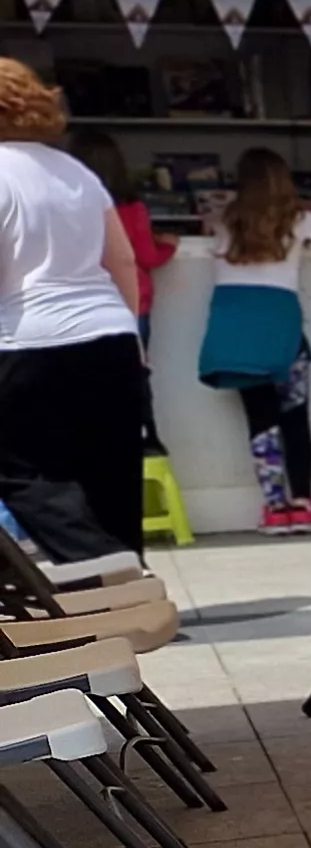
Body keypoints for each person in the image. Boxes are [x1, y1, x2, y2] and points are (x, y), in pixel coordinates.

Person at [0, 59, 153, 557]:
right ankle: (135, 597)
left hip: (26, 339)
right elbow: (123, 259)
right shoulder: (77, 172)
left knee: (21, 472)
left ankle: (103, 569)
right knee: (113, 476)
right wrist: (133, 334)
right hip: (109, 335)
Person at [205, 147, 311, 533]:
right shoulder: (299, 220)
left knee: (260, 419)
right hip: (280, 322)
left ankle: (273, 508)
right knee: (294, 416)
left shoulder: (221, 220)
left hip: (233, 324)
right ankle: (303, 503)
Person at [68, 132, 170, 322]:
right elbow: (147, 257)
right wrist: (169, 246)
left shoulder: (66, 207)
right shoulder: (132, 209)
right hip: (130, 300)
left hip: (81, 304)